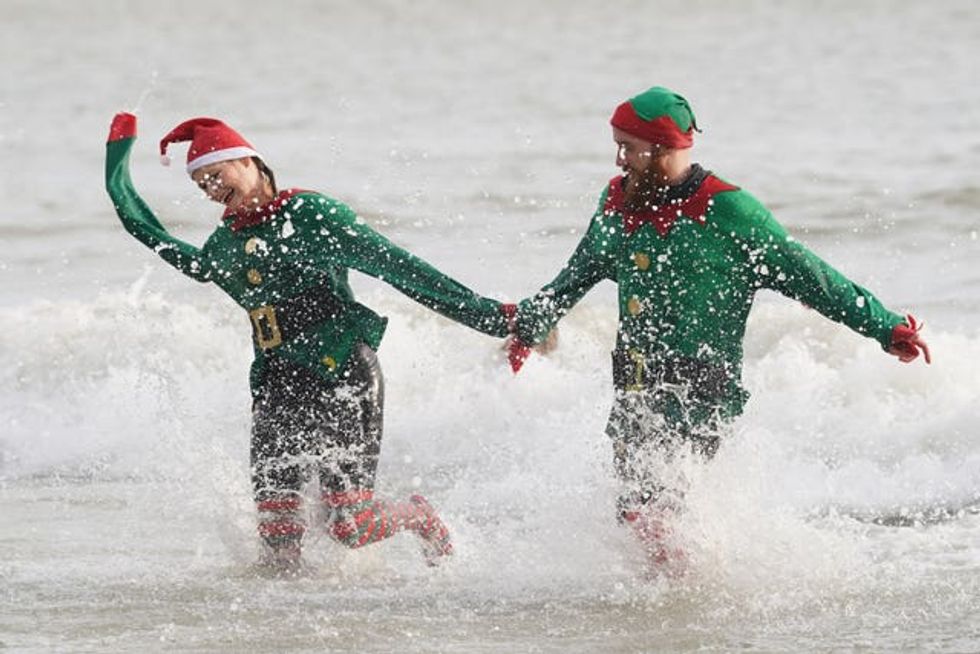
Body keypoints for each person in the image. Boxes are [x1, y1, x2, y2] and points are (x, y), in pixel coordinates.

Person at [506, 86, 931, 574]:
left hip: (700, 392)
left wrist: (884, 326)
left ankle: (691, 600)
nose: (619, 159)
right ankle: (680, 603)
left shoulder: (729, 210)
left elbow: (813, 277)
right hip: (634, 386)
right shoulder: (617, 201)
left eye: (629, 147)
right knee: (633, 517)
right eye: (618, 146)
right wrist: (529, 329)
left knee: (656, 517)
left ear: (663, 148)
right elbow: (575, 274)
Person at [105, 113, 514, 574]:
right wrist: (117, 169)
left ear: (248, 162)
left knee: (350, 527)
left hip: (342, 373)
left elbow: (399, 266)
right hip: (277, 387)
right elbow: (159, 240)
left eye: (215, 176)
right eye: (201, 186)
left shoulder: (312, 215)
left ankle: (418, 515)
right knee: (278, 546)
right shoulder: (224, 245)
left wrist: (494, 318)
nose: (210, 191)